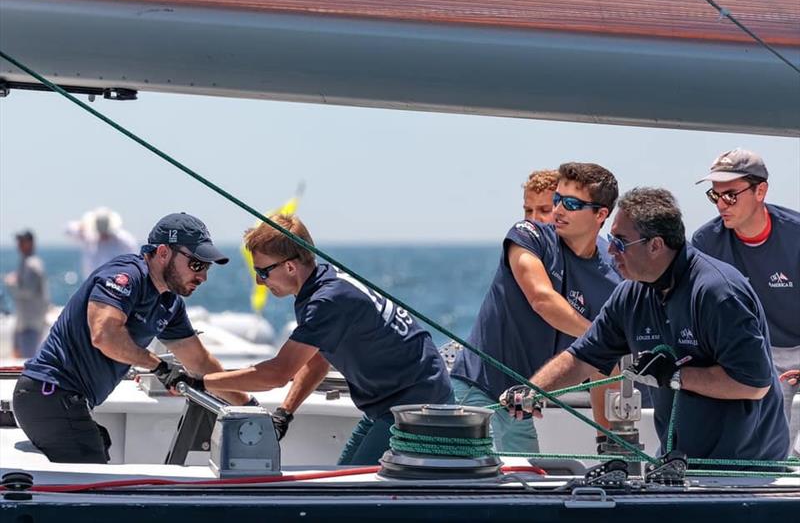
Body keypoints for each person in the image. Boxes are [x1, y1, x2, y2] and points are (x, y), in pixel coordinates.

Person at [501, 188, 789, 465]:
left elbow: (754, 383)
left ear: (656, 245)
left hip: (747, 469)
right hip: (681, 462)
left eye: (621, 242)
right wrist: (534, 390)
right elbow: (582, 358)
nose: (611, 250)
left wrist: (676, 376)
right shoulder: (631, 295)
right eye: (611, 239)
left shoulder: (717, 293)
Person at [165, 214, 454, 465]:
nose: (259, 282)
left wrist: (200, 382)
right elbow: (317, 361)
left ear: (290, 267)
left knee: (353, 494)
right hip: (391, 404)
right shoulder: (320, 285)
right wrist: (284, 413)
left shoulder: (327, 301)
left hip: (417, 408)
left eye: (263, 272)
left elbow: (277, 374)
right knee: (342, 480)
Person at [13, 213, 253, 463]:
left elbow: (201, 364)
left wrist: (247, 406)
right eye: (196, 264)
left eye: (206, 267)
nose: (203, 276)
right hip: (47, 394)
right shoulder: (126, 276)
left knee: (100, 449)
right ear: (163, 253)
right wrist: (160, 367)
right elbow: (105, 336)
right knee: (94, 486)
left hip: (67, 401)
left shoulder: (169, 304)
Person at [449, 162, 622, 453]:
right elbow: (542, 300)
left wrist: (609, 446)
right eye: (557, 200)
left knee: (525, 490)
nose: (557, 210)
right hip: (478, 391)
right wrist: (600, 337)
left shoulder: (613, 272)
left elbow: (603, 364)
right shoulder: (529, 235)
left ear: (601, 214)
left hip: (519, 405)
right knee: (479, 488)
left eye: (570, 203)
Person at [692, 148, 800, 458]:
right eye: (716, 197)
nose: (722, 205)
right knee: (771, 448)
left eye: (731, 196)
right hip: (754, 352)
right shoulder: (705, 243)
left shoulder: (796, 234)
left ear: (761, 191)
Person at [3, 230, 50, 358]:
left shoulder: (32, 264)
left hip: (31, 322)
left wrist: (11, 284)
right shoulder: (27, 261)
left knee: (26, 360)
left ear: (30, 243)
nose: (19, 244)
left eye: (22, 242)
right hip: (23, 320)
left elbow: (28, 291)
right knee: (17, 353)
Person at [66, 206, 138, 278]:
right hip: (91, 282)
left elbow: (132, 252)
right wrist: (84, 226)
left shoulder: (121, 240)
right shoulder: (90, 237)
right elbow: (68, 229)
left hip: (114, 283)